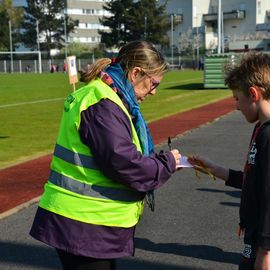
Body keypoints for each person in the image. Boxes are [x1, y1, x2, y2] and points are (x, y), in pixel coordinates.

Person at [30, 40, 181, 270]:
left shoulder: (108, 98)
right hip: (83, 223)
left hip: (88, 223)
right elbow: (124, 163)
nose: (154, 91)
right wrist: (166, 163)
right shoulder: (103, 104)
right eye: (153, 83)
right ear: (135, 73)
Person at [189, 52, 270, 270]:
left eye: (237, 98)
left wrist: (265, 251)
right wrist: (216, 169)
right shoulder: (260, 128)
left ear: (253, 94)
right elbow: (255, 181)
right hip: (255, 239)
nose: (236, 106)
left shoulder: (268, 135)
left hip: (263, 246)